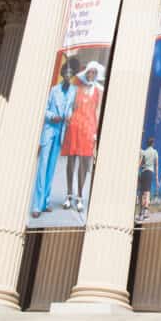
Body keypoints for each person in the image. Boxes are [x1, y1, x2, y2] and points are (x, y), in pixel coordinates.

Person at [31, 57, 78, 217]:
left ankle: (45, 202)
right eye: (66, 72)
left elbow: (71, 108)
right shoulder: (53, 90)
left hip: (61, 131)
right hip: (50, 129)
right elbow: (43, 109)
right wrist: (53, 117)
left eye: (71, 73)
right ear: (62, 73)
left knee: (51, 168)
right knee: (43, 166)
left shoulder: (73, 91)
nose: (68, 74)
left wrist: (69, 116)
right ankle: (37, 206)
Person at [61, 61, 104, 212]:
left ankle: (79, 196)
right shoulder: (77, 90)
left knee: (84, 166)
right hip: (75, 127)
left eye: (93, 73)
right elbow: (71, 108)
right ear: (86, 74)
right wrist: (68, 117)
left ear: (96, 75)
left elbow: (97, 112)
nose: (91, 75)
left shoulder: (98, 92)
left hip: (88, 129)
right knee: (71, 164)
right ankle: (68, 195)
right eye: (89, 73)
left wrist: (96, 133)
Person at [137, 136, 158, 222]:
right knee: (147, 192)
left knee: (142, 192)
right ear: (153, 143)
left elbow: (139, 163)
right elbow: (156, 165)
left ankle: (141, 212)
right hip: (149, 172)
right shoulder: (155, 152)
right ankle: (144, 212)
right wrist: (157, 177)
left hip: (143, 172)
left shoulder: (144, 152)